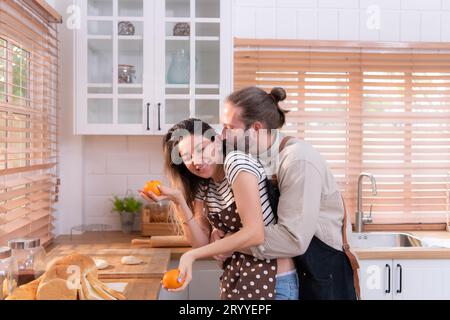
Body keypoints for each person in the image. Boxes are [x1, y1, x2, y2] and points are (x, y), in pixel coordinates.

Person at [215, 86, 360, 300]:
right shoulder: (254, 158)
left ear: (255, 129)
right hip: (299, 270)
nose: (223, 135)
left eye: (230, 128)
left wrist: (231, 242)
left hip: (322, 274)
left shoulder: (298, 161)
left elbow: (293, 239)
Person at [140, 118, 298, 300]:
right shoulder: (204, 186)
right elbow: (201, 243)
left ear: (216, 141)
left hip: (273, 281)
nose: (197, 161)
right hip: (236, 279)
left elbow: (255, 233)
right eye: (187, 157)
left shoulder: (236, 163)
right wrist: (178, 200)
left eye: (202, 149)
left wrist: (191, 256)